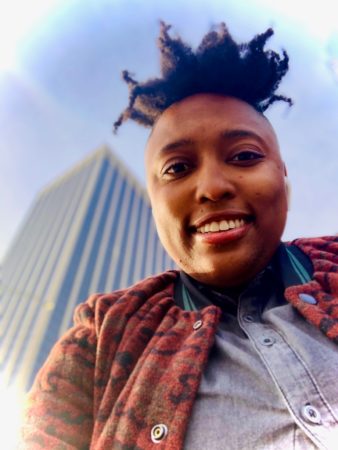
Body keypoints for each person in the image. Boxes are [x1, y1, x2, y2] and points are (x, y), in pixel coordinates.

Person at [21, 21, 338, 450]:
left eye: (244, 156)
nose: (212, 187)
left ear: (284, 178)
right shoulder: (101, 336)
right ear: (156, 205)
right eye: (177, 168)